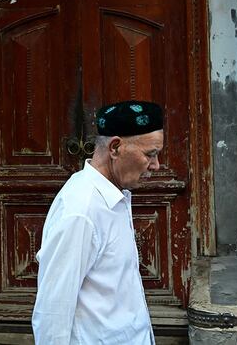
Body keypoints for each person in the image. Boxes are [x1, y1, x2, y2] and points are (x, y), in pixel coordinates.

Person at [32, 100, 164, 344]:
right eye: (150, 154)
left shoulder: (115, 196)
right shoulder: (81, 210)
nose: (156, 166)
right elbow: (53, 313)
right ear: (115, 147)